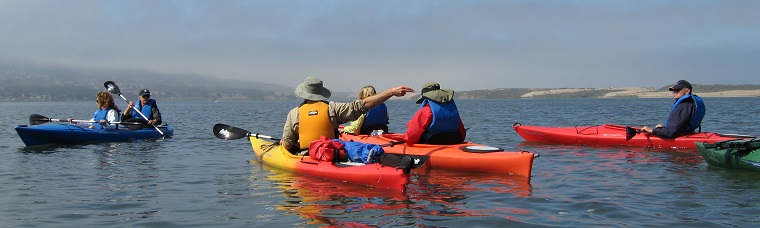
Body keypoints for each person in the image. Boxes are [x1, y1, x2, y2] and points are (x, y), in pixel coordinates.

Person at [280, 76, 417, 172]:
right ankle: (398, 163)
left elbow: (287, 144)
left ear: (303, 94)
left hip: (310, 156)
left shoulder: (294, 114)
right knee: (361, 148)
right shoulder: (333, 108)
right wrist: (391, 92)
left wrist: (289, 144)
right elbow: (361, 105)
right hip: (335, 153)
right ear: (321, 93)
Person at [640, 80, 706, 138]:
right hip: (688, 132)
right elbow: (678, 126)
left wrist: (652, 130)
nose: (674, 92)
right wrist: (662, 129)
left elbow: (670, 133)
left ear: (687, 91)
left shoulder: (684, 105)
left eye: (677, 90)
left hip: (679, 134)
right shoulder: (690, 102)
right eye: (673, 90)